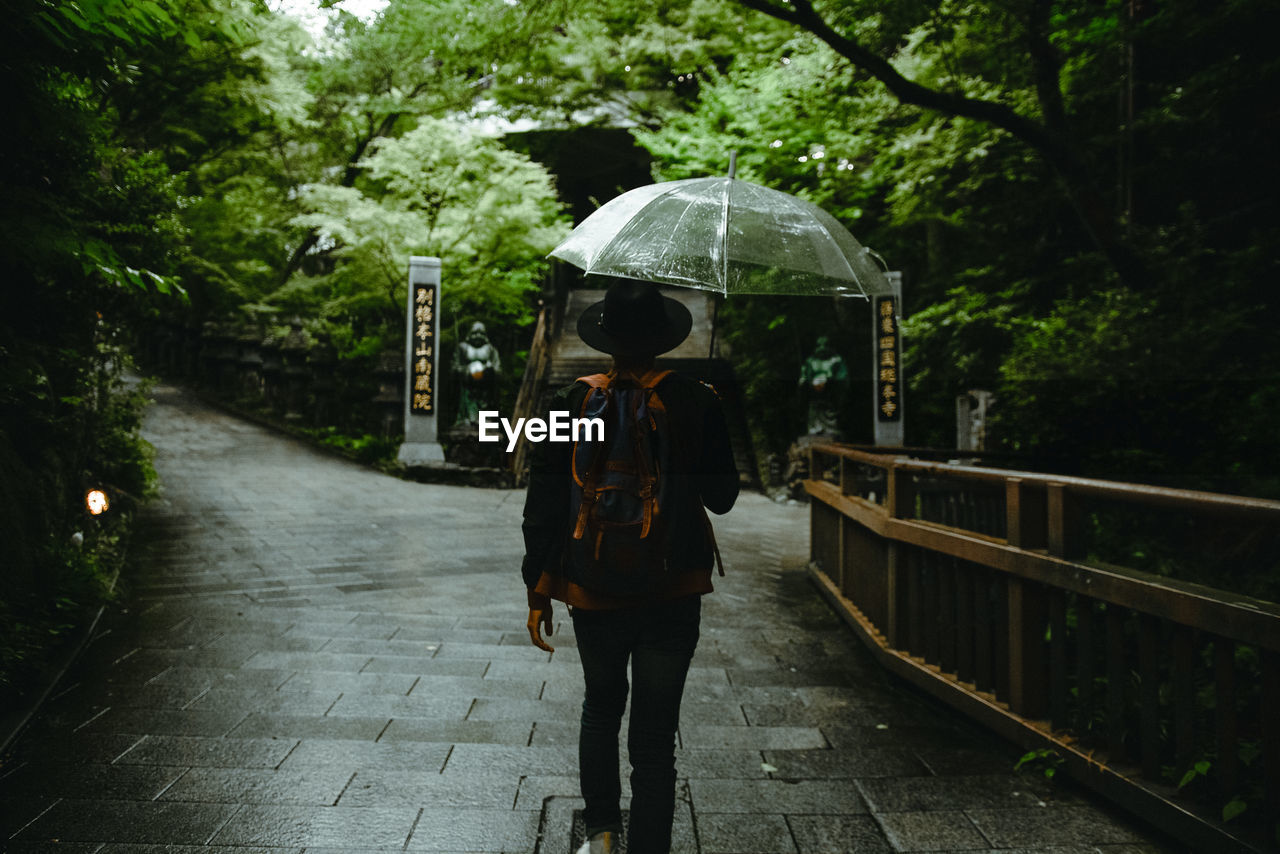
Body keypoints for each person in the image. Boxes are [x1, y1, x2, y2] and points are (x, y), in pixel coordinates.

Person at [520, 278, 739, 854]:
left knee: (600, 709)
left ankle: (602, 835)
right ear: (664, 340)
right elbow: (722, 497)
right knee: (654, 734)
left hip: (593, 583)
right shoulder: (696, 399)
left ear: (606, 340)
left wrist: (537, 587)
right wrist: (710, 426)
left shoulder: (569, 402)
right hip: (674, 586)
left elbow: (543, 499)